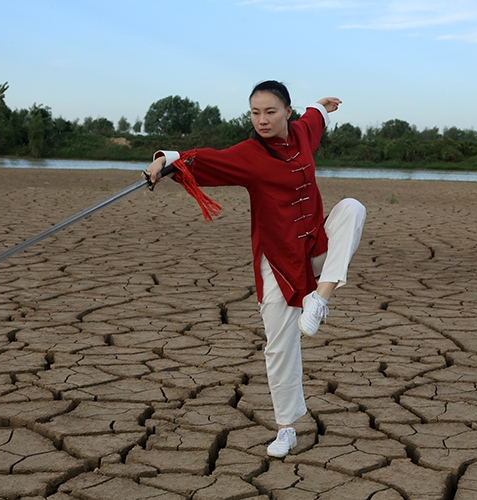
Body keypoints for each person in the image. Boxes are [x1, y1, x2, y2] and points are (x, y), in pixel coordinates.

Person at [143, 80, 366, 457]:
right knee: (279, 345)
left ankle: (321, 299)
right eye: (255, 112)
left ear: (287, 113)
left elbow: (316, 116)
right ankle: (286, 428)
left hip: (315, 248)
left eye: (270, 112)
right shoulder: (248, 153)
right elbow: (202, 158)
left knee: (352, 208)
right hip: (277, 259)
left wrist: (323, 106)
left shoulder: (303, 131)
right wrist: (163, 160)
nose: (262, 120)